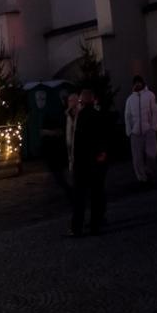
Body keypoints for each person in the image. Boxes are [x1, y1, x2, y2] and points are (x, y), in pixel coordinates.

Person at [69, 89, 108, 237]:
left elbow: (78, 143)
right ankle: (95, 226)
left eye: (79, 101)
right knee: (96, 195)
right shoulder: (98, 115)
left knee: (80, 197)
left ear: (83, 101)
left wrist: (75, 162)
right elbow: (103, 138)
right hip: (95, 162)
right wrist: (101, 155)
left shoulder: (82, 117)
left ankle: (77, 227)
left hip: (83, 163)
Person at [124, 74, 157, 184]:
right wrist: (129, 131)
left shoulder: (150, 95)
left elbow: (155, 111)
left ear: (142, 83)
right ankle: (141, 178)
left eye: (139, 82)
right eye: (136, 83)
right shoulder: (130, 99)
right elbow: (127, 115)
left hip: (148, 130)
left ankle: (149, 171)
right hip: (135, 133)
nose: (137, 84)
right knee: (137, 158)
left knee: (152, 153)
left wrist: (153, 127)